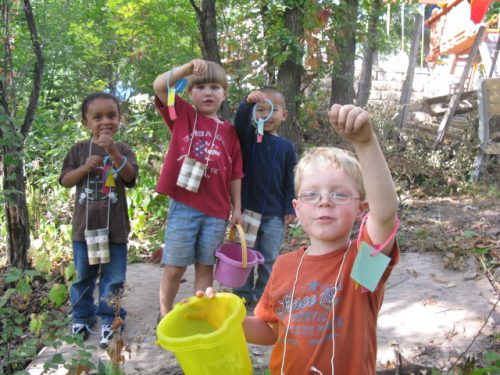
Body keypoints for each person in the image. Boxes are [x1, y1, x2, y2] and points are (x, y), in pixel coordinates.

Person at [198, 104, 399, 374]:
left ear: (362, 209)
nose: (324, 202)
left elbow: (385, 214)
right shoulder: (283, 266)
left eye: (339, 194)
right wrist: (225, 319)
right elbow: (269, 329)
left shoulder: (362, 267)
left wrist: (365, 143)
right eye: (311, 195)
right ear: (296, 208)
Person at [152, 59, 244, 317]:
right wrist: (185, 70)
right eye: (200, 87)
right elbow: (159, 86)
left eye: (215, 87)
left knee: (206, 267)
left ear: (224, 94)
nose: (207, 92)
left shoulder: (230, 132)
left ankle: (199, 313)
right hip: (184, 206)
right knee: (175, 266)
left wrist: (237, 207)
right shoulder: (183, 115)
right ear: (190, 92)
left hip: (217, 211)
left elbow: (236, 173)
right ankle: (165, 313)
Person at [60, 92, 139, 349]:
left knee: (114, 276)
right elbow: (65, 180)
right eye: (97, 117)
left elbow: (129, 178)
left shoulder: (124, 149)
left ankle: (110, 317)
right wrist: (84, 168)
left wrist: (113, 151)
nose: (105, 121)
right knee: (84, 275)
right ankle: (83, 316)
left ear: (119, 119)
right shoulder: (78, 150)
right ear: (85, 122)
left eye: (111, 115)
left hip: (114, 229)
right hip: (84, 230)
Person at [233, 88, 297, 307]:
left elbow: (290, 180)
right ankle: (241, 294)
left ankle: (264, 296)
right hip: (247, 211)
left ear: (284, 115)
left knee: (269, 257)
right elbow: (240, 122)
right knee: (244, 256)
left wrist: (290, 207)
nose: (266, 115)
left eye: (273, 110)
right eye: (260, 110)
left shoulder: (287, 147)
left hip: (274, 214)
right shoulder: (248, 139)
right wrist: (246, 103)